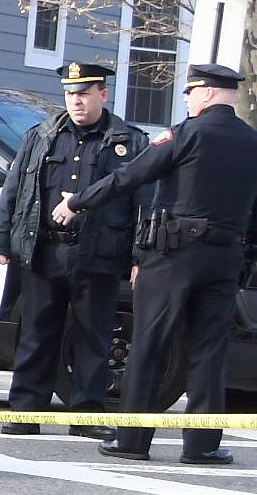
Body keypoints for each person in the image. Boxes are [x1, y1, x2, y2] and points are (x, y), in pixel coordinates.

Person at [55, 62, 257, 466]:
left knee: (149, 345)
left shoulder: (186, 134)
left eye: (189, 93)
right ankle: (202, 446)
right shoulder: (252, 141)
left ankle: (131, 440)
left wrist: (76, 201)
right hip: (225, 257)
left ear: (205, 93)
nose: (186, 100)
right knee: (209, 352)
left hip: (173, 255)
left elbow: (130, 176)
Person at [0, 60, 148, 437]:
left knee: (94, 336)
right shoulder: (42, 136)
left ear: (102, 95)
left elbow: (144, 202)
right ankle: (26, 411)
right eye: (70, 94)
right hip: (45, 251)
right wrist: (0, 239)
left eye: (84, 94)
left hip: (99, 254)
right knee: (37, 333)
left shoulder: (129, 142)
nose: (76, 101)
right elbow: (15, 189)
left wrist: (141, 257)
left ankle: (87, 415)